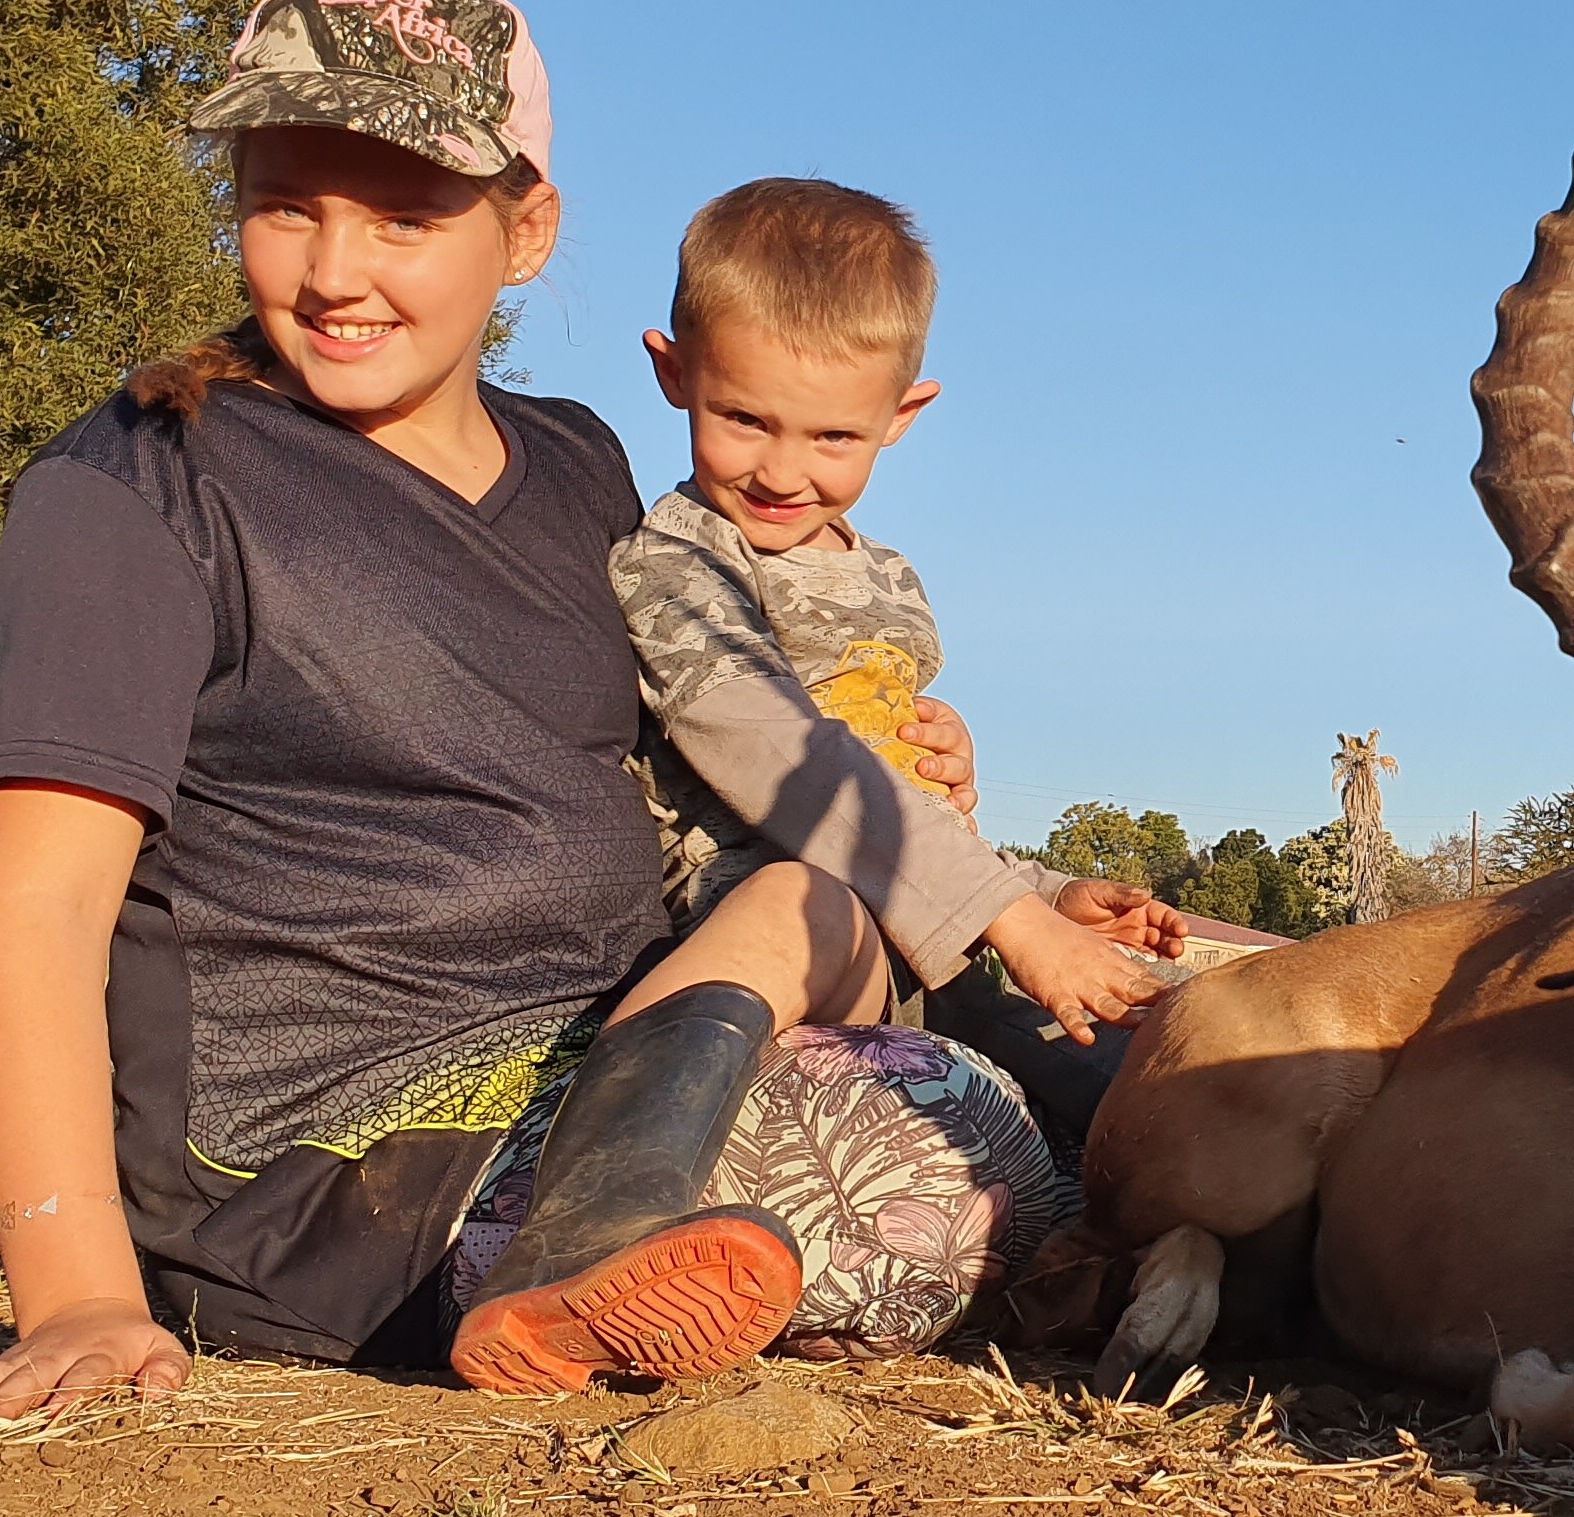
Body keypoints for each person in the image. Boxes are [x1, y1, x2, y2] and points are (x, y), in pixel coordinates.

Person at [0, 0, 1060, 1422]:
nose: (336, 272)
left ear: (526, 231)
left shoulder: (581, 463)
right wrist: (77, 1291)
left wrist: (895, 760)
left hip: (616, 1045)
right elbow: (35, 901)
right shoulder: (139, 483)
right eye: (285, 204)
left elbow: (684, 738)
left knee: (1020, 1067)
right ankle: (572, 1270)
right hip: (337, 1166)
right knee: (953, 1165)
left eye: (403, 215)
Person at [491, 177, 1187, 1393]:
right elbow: (766, 744)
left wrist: (1048, 890)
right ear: (671, 370)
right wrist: (1009, 920)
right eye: (742, 418)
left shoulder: (891, 584)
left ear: (904, 414)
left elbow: (898, 799)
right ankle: (587, 1238)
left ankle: (1222, 1233)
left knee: (1160, 1039)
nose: (780, 469)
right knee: (799, 898)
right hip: (758, 907)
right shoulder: (677, 563)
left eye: (832, 437)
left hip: (918, 930)